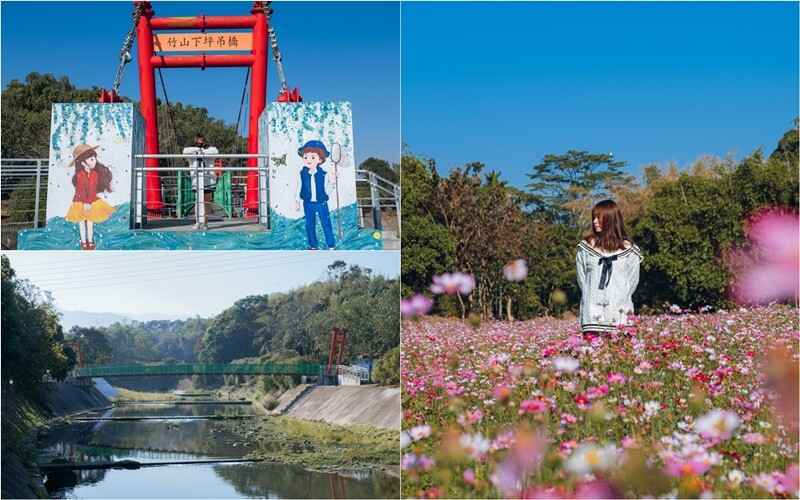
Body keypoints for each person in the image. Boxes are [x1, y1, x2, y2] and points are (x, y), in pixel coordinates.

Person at [575, 199, 642, 339]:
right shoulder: (585, 248)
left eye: (599, 217)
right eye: (593, 217)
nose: (594, 221)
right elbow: (582, 279)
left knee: (622, 357)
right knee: (593, 357)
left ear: (611, 219)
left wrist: (618, 297)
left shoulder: (630, 251)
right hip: (592, 315)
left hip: (621, 314)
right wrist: (592, 296)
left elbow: (632, 281)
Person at [65, 144, 115, 250]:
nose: (95, 161)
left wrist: (89, 202)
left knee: (90, 224)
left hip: (92, 200)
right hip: (79, 202)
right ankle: (84, 243)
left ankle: (90, 242)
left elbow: (92, 189)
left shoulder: (94, 174)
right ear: (83, 161)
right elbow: (81, 190)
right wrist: (85, 202)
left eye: (95, 159)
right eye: (91, 159)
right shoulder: (79, 175)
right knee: (82, 224)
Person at [294, 140, 339, 250]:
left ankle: (331, 245)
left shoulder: (324, 175)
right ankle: (313, 245)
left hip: (321, 203)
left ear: (320, 160)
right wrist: (297, 201)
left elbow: (327, 191)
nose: (309, 160)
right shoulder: (302, 174)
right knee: (310, 225)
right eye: (306, 157)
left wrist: (332, 181)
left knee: (326, 224)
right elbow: (299, 187)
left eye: (313, 157)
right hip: (308, 203)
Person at [183, 134, 219, 230]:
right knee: (198, 201)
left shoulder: (210, 150)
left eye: (202, 141)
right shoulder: (191, 151)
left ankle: (205, 223)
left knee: (207, 202)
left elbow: (216, 151)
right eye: (198, 141)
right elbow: (185, 151)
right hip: (196, 180)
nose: (200, 142)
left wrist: (202, 150)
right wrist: (197, 150)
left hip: (208, 179)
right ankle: (198, 222)